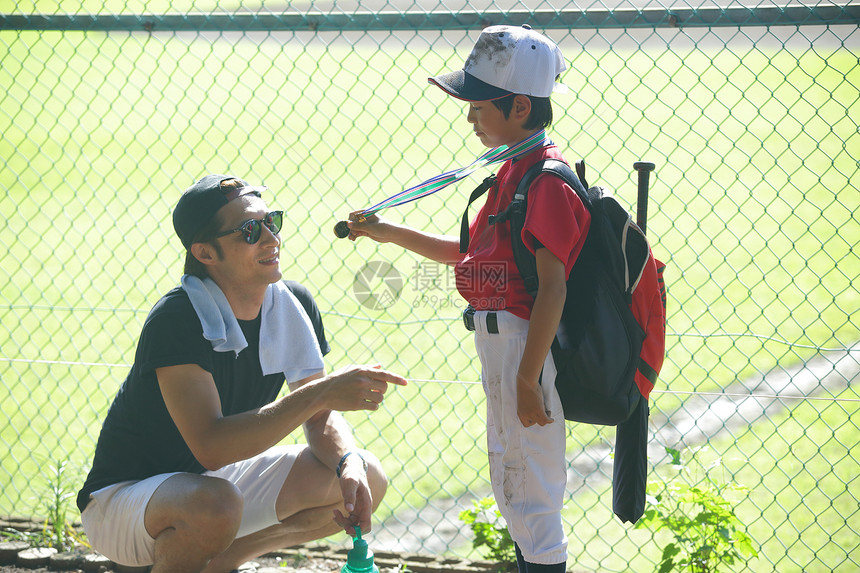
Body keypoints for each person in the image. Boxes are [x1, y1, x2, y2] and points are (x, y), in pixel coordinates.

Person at [76, 174, 407, 573]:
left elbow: (319, 418)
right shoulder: (177, 318)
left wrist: (346, 460)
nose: (271, 238)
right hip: (122, 502)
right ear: (205, 252)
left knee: (363, 474)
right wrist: (321, 394)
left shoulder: (292, 302)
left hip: (212, 483)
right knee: (214, 504)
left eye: (273, 221)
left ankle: (219, 564)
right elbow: (211, 446)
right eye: (250, 230)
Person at [348, 25, 583, 573]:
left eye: (478, 105)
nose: (470, 116)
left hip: (525, 346)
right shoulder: (514, 170)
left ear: (519, 106)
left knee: (532, 497)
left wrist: (526, 379)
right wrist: (389, 232)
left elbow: (554, 286)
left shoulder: (544, 179)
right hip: (504, 345)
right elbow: (472, 255)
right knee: (513, 487)